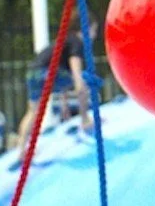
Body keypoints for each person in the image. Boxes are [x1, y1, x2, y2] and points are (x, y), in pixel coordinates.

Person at [16, 10, 97, 159]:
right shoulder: (77, 42)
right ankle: (85, 120)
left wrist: (65, 106)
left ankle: (21, 150)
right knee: (85, 80)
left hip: (32, 72)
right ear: (86, 29)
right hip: (45, 73)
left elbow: (62, 73)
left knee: (32, 111)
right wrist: (84, 114)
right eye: (94, 31)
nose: (94, 36)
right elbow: (76, 76)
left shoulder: (66, 39)